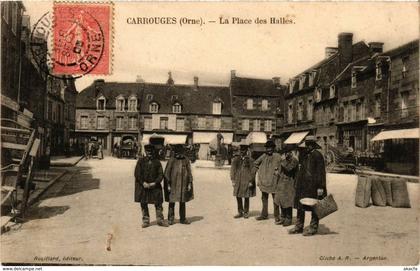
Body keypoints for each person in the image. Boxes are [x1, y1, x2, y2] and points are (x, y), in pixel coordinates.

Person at [289, 136, 327, 236]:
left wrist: (321, 187)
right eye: (307, 144)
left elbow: (321, 173)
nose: (308, 146)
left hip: (314, 186)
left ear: (314, 144)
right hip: (303, 185)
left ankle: (313, 227)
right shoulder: (305, 155)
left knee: (315, 206)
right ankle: (299, 226)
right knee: (300, 206)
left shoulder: (318, 155)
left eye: (310, 144)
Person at [134, 144, 168, 228]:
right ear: (145, 152)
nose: (149, 153)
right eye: (147, 151)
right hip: (143, 186)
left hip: (154, 186)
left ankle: (160, 220)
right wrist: (143, 183)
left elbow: (161, 174)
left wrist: (155, 182)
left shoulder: (157, 162)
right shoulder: (140, 161)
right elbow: (137, 173)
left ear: (153, 152)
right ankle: (146, 220)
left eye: (151, 152)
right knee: (143, 203)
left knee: (158, 203)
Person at [164, 144, 194, 225]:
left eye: (180, 152)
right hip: (173, 185)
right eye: (177, 152)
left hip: (183, 184)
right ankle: (170, 219)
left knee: (182, 201)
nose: (178, 154)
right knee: (172, 201)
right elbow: (167, 173)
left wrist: (189, 183)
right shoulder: (171, 160)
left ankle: (183, 219)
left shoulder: (186, 160)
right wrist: (168, 185)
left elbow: (189, 172)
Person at [254, 140, 282, 223]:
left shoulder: (278, 156)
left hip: (274, 181)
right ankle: (264, 214)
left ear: (273, 148)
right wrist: (259, 171)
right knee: (264, 198)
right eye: (267, 148)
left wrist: (278, 172)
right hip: (264, 182)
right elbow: (255, 163)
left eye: (270, 148)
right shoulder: (263, 156)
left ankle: (277, 216)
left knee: (276, 199)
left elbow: (282, 166)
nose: (269, 150)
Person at [274, 144, 299, 226]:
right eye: (286, 152)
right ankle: (283, 217)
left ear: (292, 152)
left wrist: (282, 161)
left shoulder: (294, 160)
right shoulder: (284, 160)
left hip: (290, 183)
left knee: (288, 201)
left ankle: (289, 218)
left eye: (289, 152)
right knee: (281, 199)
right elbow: (279, 170)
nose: (287, 154)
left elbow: (289, 169)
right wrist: (276, 171)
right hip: (282, 182)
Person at [230, 143, 256, 219]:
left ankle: (246, 212)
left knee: (246, 196)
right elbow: (232, 170)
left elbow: (253, 171)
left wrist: (251, 181)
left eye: (244, 150)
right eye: (241, 150)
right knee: (238, 196)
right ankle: (240, 212)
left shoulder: (250, 160)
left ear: (246, 151)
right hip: (238, 180)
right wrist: (233, 179)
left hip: (247, 180)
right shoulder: (236, 159)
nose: (242, 151)